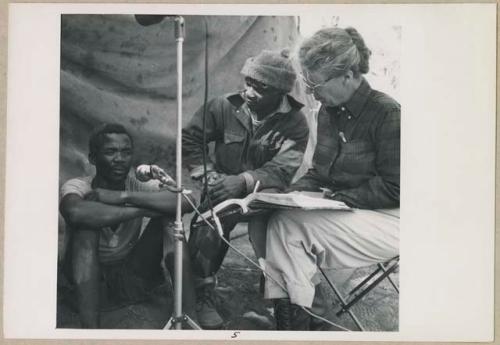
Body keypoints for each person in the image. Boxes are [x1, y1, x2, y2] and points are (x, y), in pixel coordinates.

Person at [263, 27, 400, 330]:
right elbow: (320, 172)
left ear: (349, 76)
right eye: (307, 82)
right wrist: (288, 194)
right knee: (271, 218)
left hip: (391, 218)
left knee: (288, 229)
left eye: (315, 83)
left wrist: (338, 199)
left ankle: (302, 324)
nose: (310, 92)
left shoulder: (387, 113)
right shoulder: (328, 111)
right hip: (349, 210)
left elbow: (397, 188)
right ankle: (301, 319)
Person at [182, 49, 310, 329]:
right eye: (248, 82)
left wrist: (243, 181)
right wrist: (207, 176)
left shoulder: (295, 122)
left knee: (281, 230)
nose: (249, 92)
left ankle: (280, 300)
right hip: (221, 185)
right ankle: (202, 291)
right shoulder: (222, 106)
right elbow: (191, 139)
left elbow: (282, 169)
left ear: (280, 93)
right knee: (207, 221)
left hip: (267, 192)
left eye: (260, 88)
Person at [59, 123, 196, 328]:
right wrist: (140, 210)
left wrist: (123, 196)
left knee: (169, 219)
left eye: (126, 152)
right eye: (111, 152)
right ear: (93, 158)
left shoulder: (136, 185)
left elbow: (188, 200)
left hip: (128, 277)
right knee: (86, 227)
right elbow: (75, 213)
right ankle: (91, 332)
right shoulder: (78, 185)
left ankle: (189, 318)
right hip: (83, 281)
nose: (120, 159)